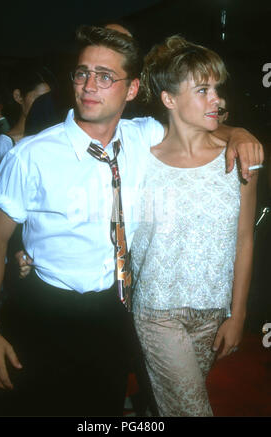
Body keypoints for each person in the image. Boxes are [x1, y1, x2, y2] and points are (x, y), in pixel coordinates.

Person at [0, 26, 263, 417]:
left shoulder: (144, 136)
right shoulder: (29, 155)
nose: (90, 85)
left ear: (131, 89)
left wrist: (240, 132)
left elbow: (197, 121)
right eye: (82, 73)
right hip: (43, 311)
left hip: (112, 312)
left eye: (106, 76)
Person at [131, 35, 258, 416]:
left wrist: (238, 315)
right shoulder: (140, 159)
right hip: (156, 310)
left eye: (216, 89)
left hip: (212, 312)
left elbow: (245, 239)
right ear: (169, 99)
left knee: (168, 406)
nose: (216, 99)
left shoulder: (239, 158)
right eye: (202, 89)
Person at [0, 67, 51, 165]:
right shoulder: (4, 144)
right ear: (18, 96)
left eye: (48, 100)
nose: (44, 105)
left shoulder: (50, 136)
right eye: (39, 99)